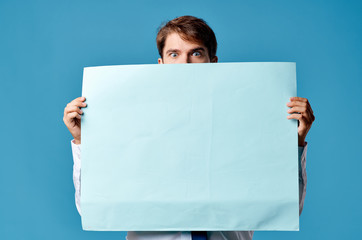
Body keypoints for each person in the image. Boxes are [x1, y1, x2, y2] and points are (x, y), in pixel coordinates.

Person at [63, 15, 315, 240]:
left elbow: (287, 206)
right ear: (160, 64)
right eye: (174, 54)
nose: (184, 63)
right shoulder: (131, 126)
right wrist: (85, 142)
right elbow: (92, 207)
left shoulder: (248, 123)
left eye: (195, 53)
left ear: (212, 62)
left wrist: (296, 141)